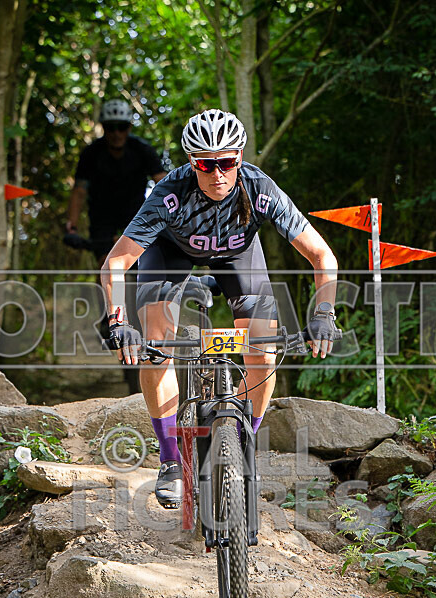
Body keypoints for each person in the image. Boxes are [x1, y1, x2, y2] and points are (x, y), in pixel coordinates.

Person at [100, 108, 342, 508]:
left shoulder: (259, 188)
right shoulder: (170, 194)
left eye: (227, 162)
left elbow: (321, 254)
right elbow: (117, 261)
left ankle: (241, 444)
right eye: (206, 164)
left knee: (262, 353)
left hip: (237, 255)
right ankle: (171, 458)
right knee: (157, 346)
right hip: (170, 253)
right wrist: (118, 321)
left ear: (240, 157)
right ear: (191, 162)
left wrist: (324, 315)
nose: (218, 174)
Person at [66, 98, 167, 262]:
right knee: (107, 265)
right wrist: (72, 227)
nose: (116, 134)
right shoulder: (91, 154)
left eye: (122, 127)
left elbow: (163, 183)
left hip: (135, 212)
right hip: (102, 215)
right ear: (103, 128)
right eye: (110, 128)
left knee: (144, 265)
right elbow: (79, 191)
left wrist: (172, 217)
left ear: (129, 127)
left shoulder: (142, 150)